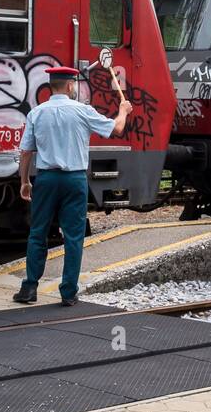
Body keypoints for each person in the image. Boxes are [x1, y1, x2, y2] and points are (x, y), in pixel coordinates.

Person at [13, 66, 132, 306]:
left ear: (51, 86)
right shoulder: (82, 111)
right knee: (73, 237)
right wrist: (123, 111)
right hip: (74, 180)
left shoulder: (37, 113)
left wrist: (24, 181)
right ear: (69, 86)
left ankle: (29, 289)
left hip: (46, 179)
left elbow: (26, 152)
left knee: (38, 233)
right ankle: (68, 293)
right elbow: (117, 128)